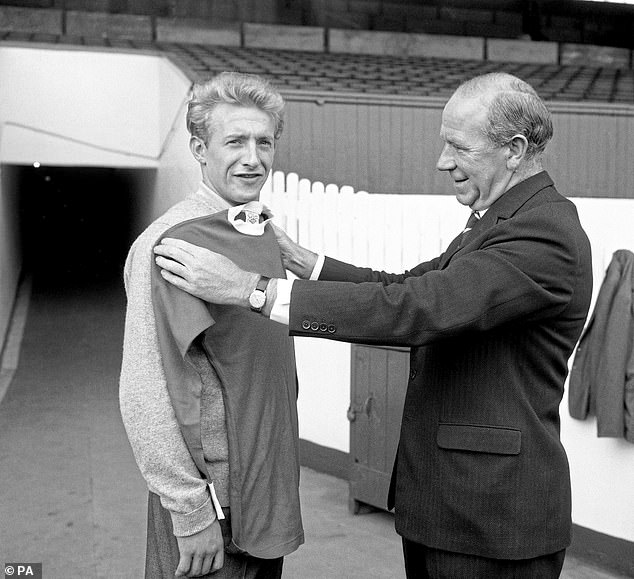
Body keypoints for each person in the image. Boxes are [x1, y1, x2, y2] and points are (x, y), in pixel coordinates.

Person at [154, 72, 593, 578]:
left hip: (490, 523)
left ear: (514, 149)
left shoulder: (542, 234)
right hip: (454, 509)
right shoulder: (503, 219)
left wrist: (253, 290)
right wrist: (307, 262)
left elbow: (418, 307)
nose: (442, 161)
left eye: (458, 147)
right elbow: (407, 283)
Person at [119, 71, 303, 579]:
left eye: (264, 141)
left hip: (263, 500)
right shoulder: (171, 245)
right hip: (212, 511)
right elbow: (144, 390)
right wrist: (188, 508)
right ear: (200, 149)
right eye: (235, 141)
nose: (253, 157)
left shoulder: (259, 231)